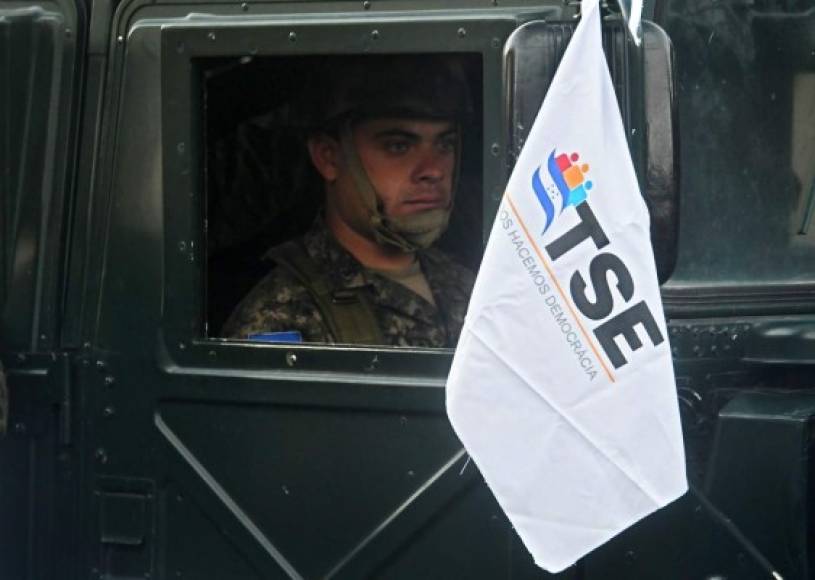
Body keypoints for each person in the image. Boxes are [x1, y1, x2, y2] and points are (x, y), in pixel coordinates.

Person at [222, 56, 476, 347]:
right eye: (398, 146)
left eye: (446, 144)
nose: (433, 170)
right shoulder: (281, 316)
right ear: (329, 157)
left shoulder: (470, 282)